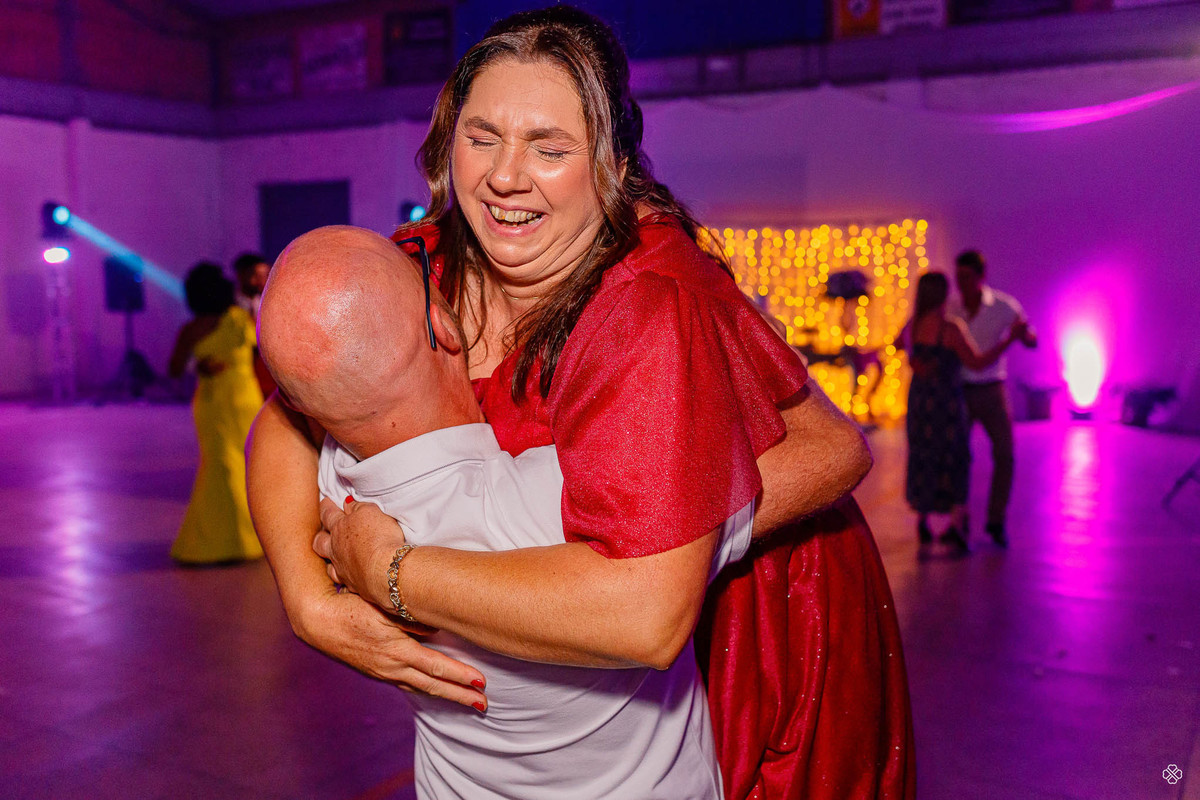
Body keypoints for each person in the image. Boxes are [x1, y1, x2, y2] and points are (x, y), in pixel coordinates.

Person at [247, 7, 914, 799]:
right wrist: (305, 596)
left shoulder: (655, 291)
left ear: (611, 162)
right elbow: (292, 411)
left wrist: (653, 532)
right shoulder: (420, 265)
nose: (504, 176)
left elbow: (833, 448)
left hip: (747, 617)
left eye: (549, 147)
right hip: (538, 690)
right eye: (482, 136)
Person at [258, 224, 751, 798]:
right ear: (444, 326)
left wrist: (309, 596)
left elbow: (278, 418)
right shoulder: (550, 495)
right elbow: (827, 454)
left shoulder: (329, 489)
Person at [901, 272, 1023, 552]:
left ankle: (923, 519)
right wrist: (1007, 341)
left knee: (923, 455)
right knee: (956, 458)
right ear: (943, 295)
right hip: (946, 404)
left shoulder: (913, 327)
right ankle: (956, 522)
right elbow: (978, 363)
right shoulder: (951, 329)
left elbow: (906, 353)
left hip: (920, 403)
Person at [168, 262, 264, 564]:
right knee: (244, 466)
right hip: (247, 400)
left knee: (221, 467)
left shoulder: (192, 329)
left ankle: (217, 541)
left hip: (215, 404)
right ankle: (248, 539)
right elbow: (261, 351)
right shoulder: (240, 319)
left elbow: (173, 369)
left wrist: (199, 366)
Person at [947, 249, 1038, 547]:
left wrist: (1025, 336)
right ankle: (960, 519)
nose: (961, 283)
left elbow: (1029, 336)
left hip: (991, 388)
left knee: (1004, 453)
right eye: (958, 277)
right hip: (959, 389)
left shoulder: (1004, 306)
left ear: (981, 277)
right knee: (959, 457)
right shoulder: (951, 307)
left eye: (966, 277)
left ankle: (996, 520)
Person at [232, 251, 277, 397]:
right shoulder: (230, 306)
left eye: (265, 275)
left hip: (266, 374)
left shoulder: (270, 303)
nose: (261, 281)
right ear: (240, 275)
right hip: (238, 378)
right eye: (255, 275)